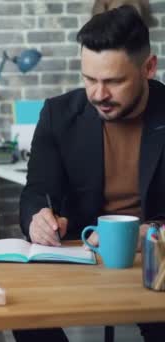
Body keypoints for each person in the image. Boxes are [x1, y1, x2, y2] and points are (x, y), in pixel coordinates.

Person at [17, 5, 165, 342]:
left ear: (149, 68)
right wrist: (39, 218)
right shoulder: (58, 114)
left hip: (155, 262)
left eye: (114, 81)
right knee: (26, 316)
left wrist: (152, 235)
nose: (98, 94)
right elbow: (36, 192)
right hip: (80, 258)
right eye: (90, 79)